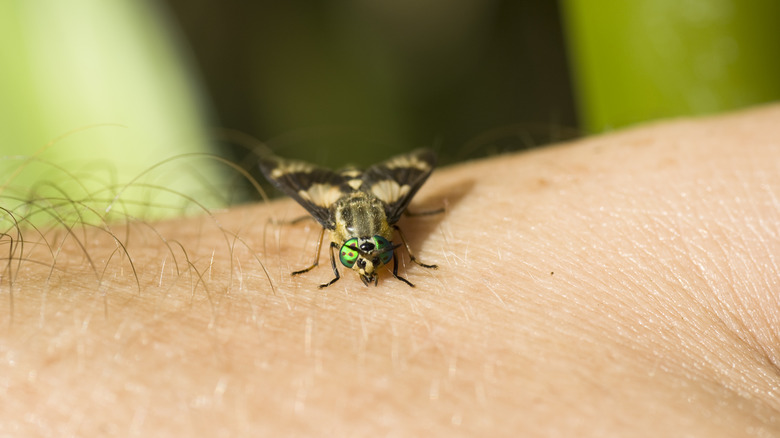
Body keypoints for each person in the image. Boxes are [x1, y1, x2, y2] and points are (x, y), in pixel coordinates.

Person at [3, 105, 779, 436]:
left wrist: (395, 241)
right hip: (352, 191)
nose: (364, 260)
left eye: (366, 255)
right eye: (357, 255)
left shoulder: (384, 231)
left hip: (367, 192)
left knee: (378, 201)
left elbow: (392, 230)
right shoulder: (345, 235)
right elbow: (349, 237)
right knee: (320, 200)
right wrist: (346, 242)